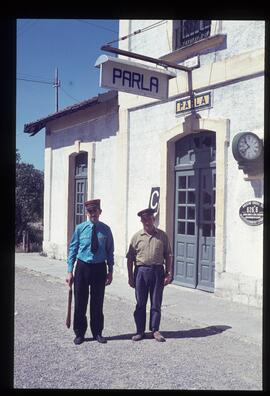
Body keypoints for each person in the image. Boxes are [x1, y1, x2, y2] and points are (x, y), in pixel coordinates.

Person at [66, 199, 114, 345]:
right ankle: (80, 333)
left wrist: (110, 271)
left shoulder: (106, 230)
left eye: (96, 211)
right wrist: (69, 271)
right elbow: (72, 250)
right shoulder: (80, 228)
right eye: (90, 211)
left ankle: (97, 332)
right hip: (82, 267)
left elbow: (110, 251)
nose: (93, 214)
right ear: (87, 213)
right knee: (80, 301)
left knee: (97, 302)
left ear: (100, 212)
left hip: (99, 268)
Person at [126, 208, 173, 342]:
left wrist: (168, 273)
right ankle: (140, 331)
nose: (147, 221)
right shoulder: (136, 237)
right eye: (144, 219)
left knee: (156, 302)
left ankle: (155, 330)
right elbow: (130, 258)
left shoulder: (162, 236)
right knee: (140, 303)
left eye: (149, 218)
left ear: (153, 219)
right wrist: (130, 276)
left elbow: (168, 255)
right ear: (141, 221)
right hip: (141, 272)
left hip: (158, 272)